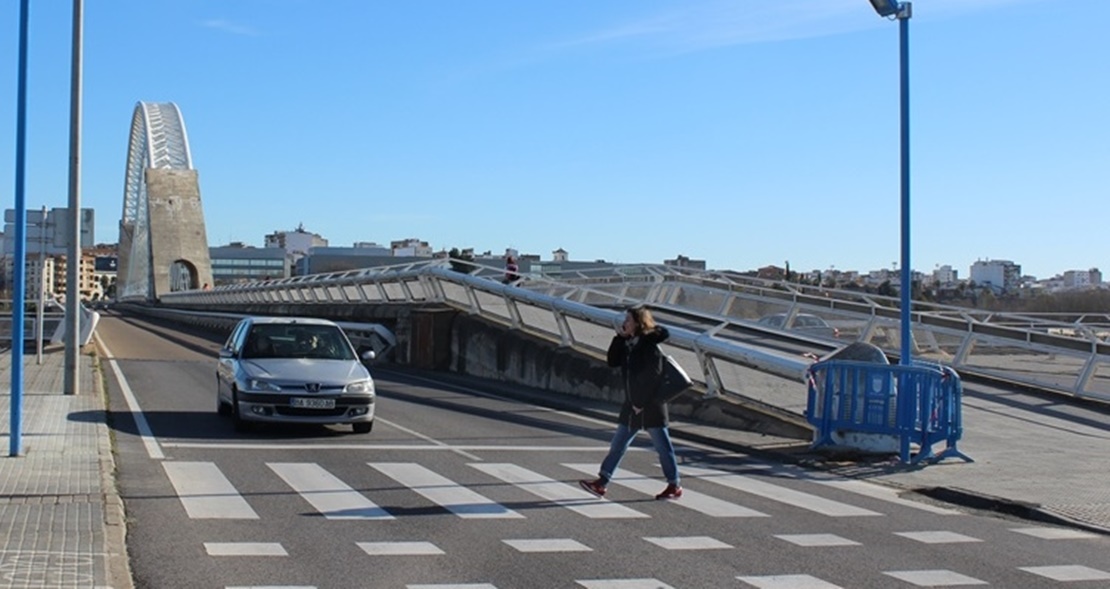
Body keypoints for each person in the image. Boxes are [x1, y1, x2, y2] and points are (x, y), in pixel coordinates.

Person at [579, 305, 682, 500]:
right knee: (618, 445)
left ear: (638, 323)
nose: (624, 323)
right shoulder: (630, 344)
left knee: (663, 447)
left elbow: (653, 376)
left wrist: (640, 402)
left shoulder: (649, 346)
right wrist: (619, 338)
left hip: (650, 406)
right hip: (632, 405)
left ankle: (674, 485)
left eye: (628, 320)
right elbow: (612, 361)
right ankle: (602, 483)